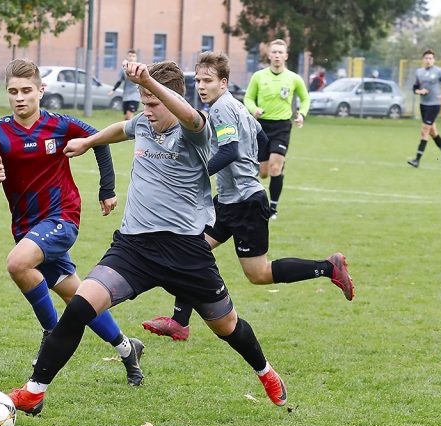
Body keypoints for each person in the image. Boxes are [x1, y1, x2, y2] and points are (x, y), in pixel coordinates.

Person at [7, 59, 288, 416]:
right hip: (133, 247)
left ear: (169, 98)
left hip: (185, 252)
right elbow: (122, 128)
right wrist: (88, 142)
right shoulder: (145, 122)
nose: (148, 110)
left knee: (227, 326)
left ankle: (266, 373)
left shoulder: (195, 130)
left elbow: (188, 115)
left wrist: (152, 85)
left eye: (154, 103)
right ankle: (34, 390)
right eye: (144, 102)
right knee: (79, 306)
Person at [142, 52, 354, 341]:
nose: (201, 86)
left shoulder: (221, 110)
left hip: (245, 204)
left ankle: (329, 267)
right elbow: (262, 139)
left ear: (224, 82)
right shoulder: (236, 106)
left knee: (259, 274)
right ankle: (180, 322)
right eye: (199, 80)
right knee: (190, 250)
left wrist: (199, 173)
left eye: (208, 81)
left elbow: (229, 151)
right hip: (229, 201)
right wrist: (252, 165)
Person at [0, 58, 144, 386]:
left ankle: (51, 332)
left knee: (17, 264)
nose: (20, 97)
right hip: (25, 228)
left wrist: (107, 188)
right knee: (78, 296)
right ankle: (128, 349)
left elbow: (99, 140)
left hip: (61, 217)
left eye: (27, 90)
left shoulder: (59, 124)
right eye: (13, 91)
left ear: (41, 90)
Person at [244, 39, 310, 219]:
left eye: (281, 52)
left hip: (282, 126)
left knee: (275, 168)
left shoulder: (294, 78)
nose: (277, 55)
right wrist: (254, 109)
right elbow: (248, 98)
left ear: (286, 56)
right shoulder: (258, 76)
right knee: (263, 172)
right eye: (274, 52)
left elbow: (305, 99)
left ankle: (272, 209)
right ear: (269, 55)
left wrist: (301, 114)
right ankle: (277, 166)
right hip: (262, 126)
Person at [407, 49, 441, 168]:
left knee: (424, 130)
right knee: (433, 132)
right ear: (423, 59)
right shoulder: (419, 72)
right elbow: (415, 88)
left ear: (434, 60)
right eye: (426, 58)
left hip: (434, 105)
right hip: (423, 105)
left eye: (430, 58)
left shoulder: (439, 72)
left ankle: (417, 160)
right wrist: (420, 91)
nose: (428, 60)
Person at [108, 49, 141, 120]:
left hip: (135, 96)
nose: (132, 58)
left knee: (129, 116)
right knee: (126, 118)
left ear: (136, 58)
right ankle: (126, 130)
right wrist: (113, 90)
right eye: (130, 56)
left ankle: (132, 130)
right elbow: (119, 81)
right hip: (126, 96)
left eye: (133, 56)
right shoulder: (123, 69)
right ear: (127, 57)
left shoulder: (139, 68)